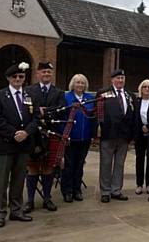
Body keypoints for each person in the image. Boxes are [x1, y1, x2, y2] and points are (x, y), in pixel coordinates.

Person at [0, 62, 37, 228]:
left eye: (21, 77)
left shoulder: (29, 96)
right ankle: (0, 213)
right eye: (15, 76)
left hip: (24, 145)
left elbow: (36, 118)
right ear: (9, 78)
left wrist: (26, 133)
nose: (18, 79)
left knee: (18, 180)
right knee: (2, 181)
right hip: (5, 145)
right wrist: (13, 134)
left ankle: (16, 210)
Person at [23, 61, 65, 213]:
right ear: (38, 74)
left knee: (48, 168)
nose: (46, 74)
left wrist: (43, 111)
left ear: (52, 74)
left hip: (52, 133)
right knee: (32, 168)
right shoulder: (28, 90)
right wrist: (41, 111)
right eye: (43, 72)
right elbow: (26, 109)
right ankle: (30, 201)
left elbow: (61, 110)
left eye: (49, 72)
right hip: (34, 135)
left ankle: (47, 199)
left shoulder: (59, 92)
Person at [97, 68, 136, 203]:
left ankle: (116, 190)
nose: (120, 80)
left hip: (124, 136)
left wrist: (132, 135)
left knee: (119, 164)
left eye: (122, 78)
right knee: (106, 164)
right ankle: (105, 191)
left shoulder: (130, 95)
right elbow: (99, 114)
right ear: (112, 80)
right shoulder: (103, 93)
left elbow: (133, 116)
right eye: (118, 78)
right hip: (108, 134)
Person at [60, 74, 97, 203]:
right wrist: (65, 135)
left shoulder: (90, 98)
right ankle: (67, 191)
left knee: (79, 165)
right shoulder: (66, 97)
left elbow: (93, 118)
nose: (80, 85)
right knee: (69, 166)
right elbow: (63, 117)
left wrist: (93, 135)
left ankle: (77, 190)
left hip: (85, 138)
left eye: (82, 83)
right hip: (70, 137)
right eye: (78, 83)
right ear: (73, 84)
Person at [134, 79, 149, 195]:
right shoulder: (137, 101)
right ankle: (139, 184)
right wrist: (141, 127)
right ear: (141, 89)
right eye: (145, 87)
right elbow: (134, 118)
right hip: (140, 134)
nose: (147, 89)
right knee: (140, 159)